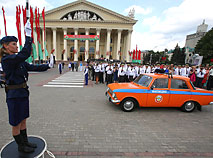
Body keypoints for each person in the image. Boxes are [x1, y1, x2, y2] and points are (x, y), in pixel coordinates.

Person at [0, 20, 50, 153]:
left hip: (22, 93)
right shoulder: (7, 60)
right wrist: (28, 36)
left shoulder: (17, 59)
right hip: (14, 95)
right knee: (16, 122)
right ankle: (21, 146)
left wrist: (47, 66)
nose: (17, 46)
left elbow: (32, 67)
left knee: (23, 120)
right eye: (14, 44)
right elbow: (25, 54)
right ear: (5, 46)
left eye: (17, 44)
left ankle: (26, 142)